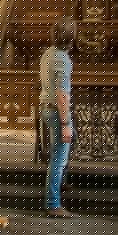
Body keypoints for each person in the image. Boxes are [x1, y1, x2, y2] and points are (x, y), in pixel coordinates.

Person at [40, 19, 77, 217]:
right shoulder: (63, 59)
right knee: (59, 159)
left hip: (46, 108)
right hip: (57, 111)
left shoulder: (47, 54)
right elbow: (62, 95)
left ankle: (60, 181)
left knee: (70, 140)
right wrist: (65, 123)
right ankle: (53, 203)